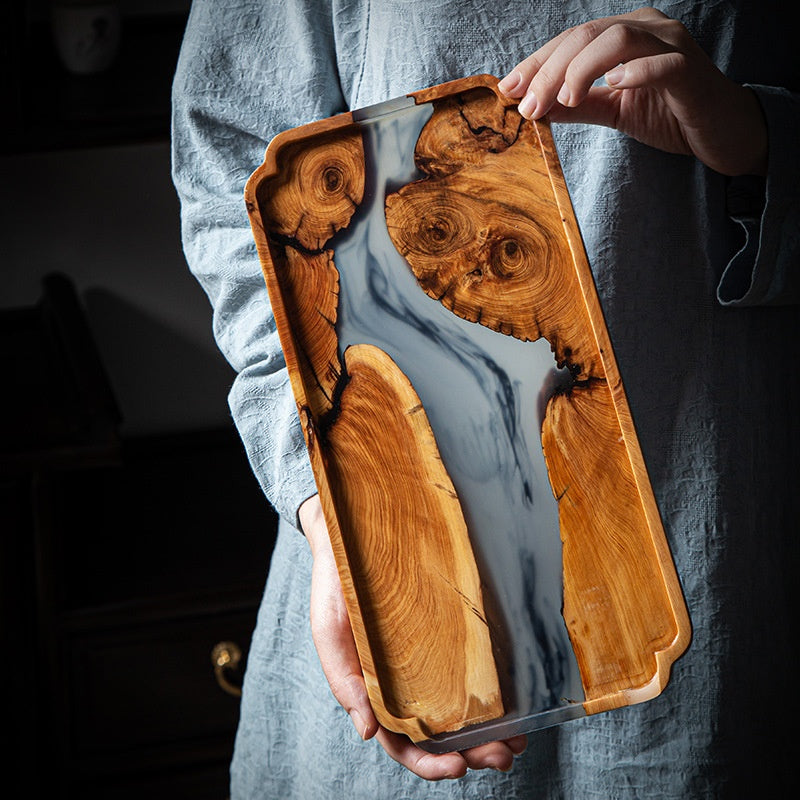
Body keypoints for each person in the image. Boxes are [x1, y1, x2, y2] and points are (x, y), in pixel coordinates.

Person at [171, 2, 798, 797]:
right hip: (398, 540)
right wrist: (329, 509)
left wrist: (757, 140)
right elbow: (235, 175)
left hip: (722, 551)